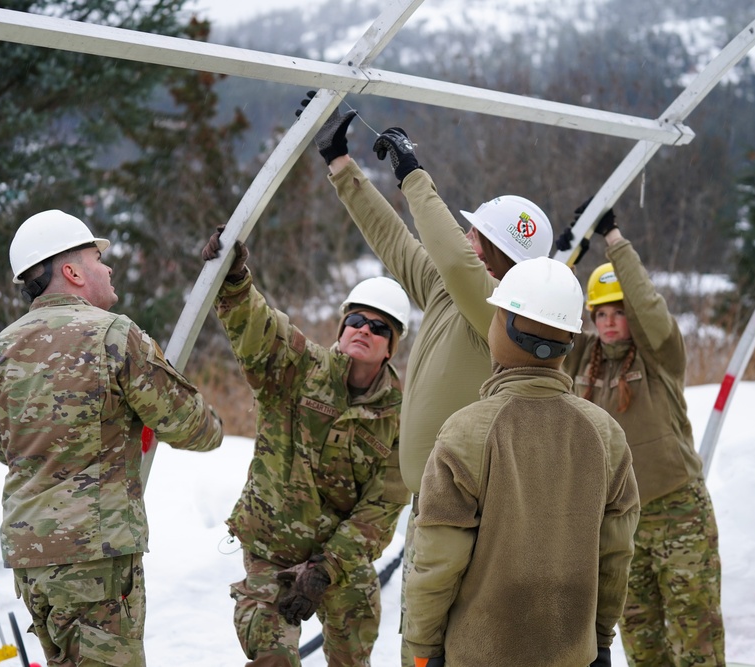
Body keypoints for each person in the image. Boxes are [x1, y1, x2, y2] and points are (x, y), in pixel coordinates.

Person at [301, 95, 553, 666]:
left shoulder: (499, 309)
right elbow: (397, 243)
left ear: (497, 255)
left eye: (476, 236)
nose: (465, 239)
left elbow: (451, 257)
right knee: (423, 641)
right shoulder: (451, 291)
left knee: (462, 643)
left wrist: (414, 176)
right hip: (431, 506)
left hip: (475, 511)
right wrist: (341, 166)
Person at [0, 209, 224, 667]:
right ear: (71, 272)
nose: (108, 268)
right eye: (97, 258)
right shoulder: (114, 336)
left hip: (31, 559)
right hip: (96, 558)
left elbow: (0, 444)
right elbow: (192, 426)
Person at [403, 257, 640, 667]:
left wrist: (423, 652)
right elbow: (615, 553)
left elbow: (437, 560)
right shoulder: (605, 434)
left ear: (507, 328)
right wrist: (600, 642)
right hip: (571, 654)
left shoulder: (466, 431)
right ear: (569, 340)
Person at [201, 226, 412, 667]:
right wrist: (234, 277)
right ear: (342, 327)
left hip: (338, 561)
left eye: (378, 327)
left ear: (391, 347)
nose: (363, 330)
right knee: (273, 655)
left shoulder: (399, 416)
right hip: (270, 546)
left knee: (353, 653)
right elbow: (257, 327)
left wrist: (325, 569)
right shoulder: (298, 365)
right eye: (355, 320)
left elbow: (381, 509)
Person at [558, 207, 727, 666]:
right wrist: (568, 256)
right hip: (617, 524)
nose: (610, 321)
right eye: (601, 313)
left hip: (678, 512)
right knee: (641, 641)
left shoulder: (659, 356)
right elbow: (546, 313)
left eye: (620, 312)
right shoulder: (579, 361)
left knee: (696, 635)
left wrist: (614, 239)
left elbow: (651, 307)